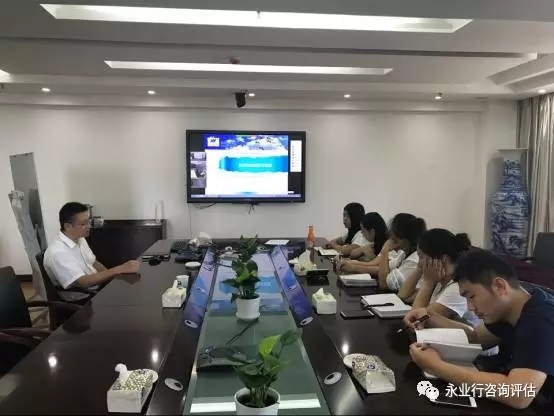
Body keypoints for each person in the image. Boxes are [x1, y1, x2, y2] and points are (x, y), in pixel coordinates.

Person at [408, 249, 554, 410]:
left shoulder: (541, 320)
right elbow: (476, 337)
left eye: (471, 297)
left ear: (499, 286)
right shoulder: (517, 304)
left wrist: (436, 366)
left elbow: (518, 395)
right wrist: (429, 316)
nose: (470, 307)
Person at [44, 202, 140, 301]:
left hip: (97, 288)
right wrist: (118, 270)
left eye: (89, 221)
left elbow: (93, 262)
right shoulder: (57, 252)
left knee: (131, 291)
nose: (89, 226)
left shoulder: (79, 238)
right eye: (83, 224)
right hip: (83, 298)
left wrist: (112, 278)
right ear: (68, 226)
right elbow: (83, 282)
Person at [402, 229, 479, 327]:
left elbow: (416, 321)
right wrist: (423, 274)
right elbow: (405, 296)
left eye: (421, 257)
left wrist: (428, 282)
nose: (419, 263)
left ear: (443, 259)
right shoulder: (441, 280)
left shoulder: (457, 288)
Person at [377, 213, 426, 291]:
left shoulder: (413, 260)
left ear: (400, 235)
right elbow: (389, 267)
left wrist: (384, 251)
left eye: (393, 234)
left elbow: (384, 284)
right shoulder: (404, 253)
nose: (391, 237)